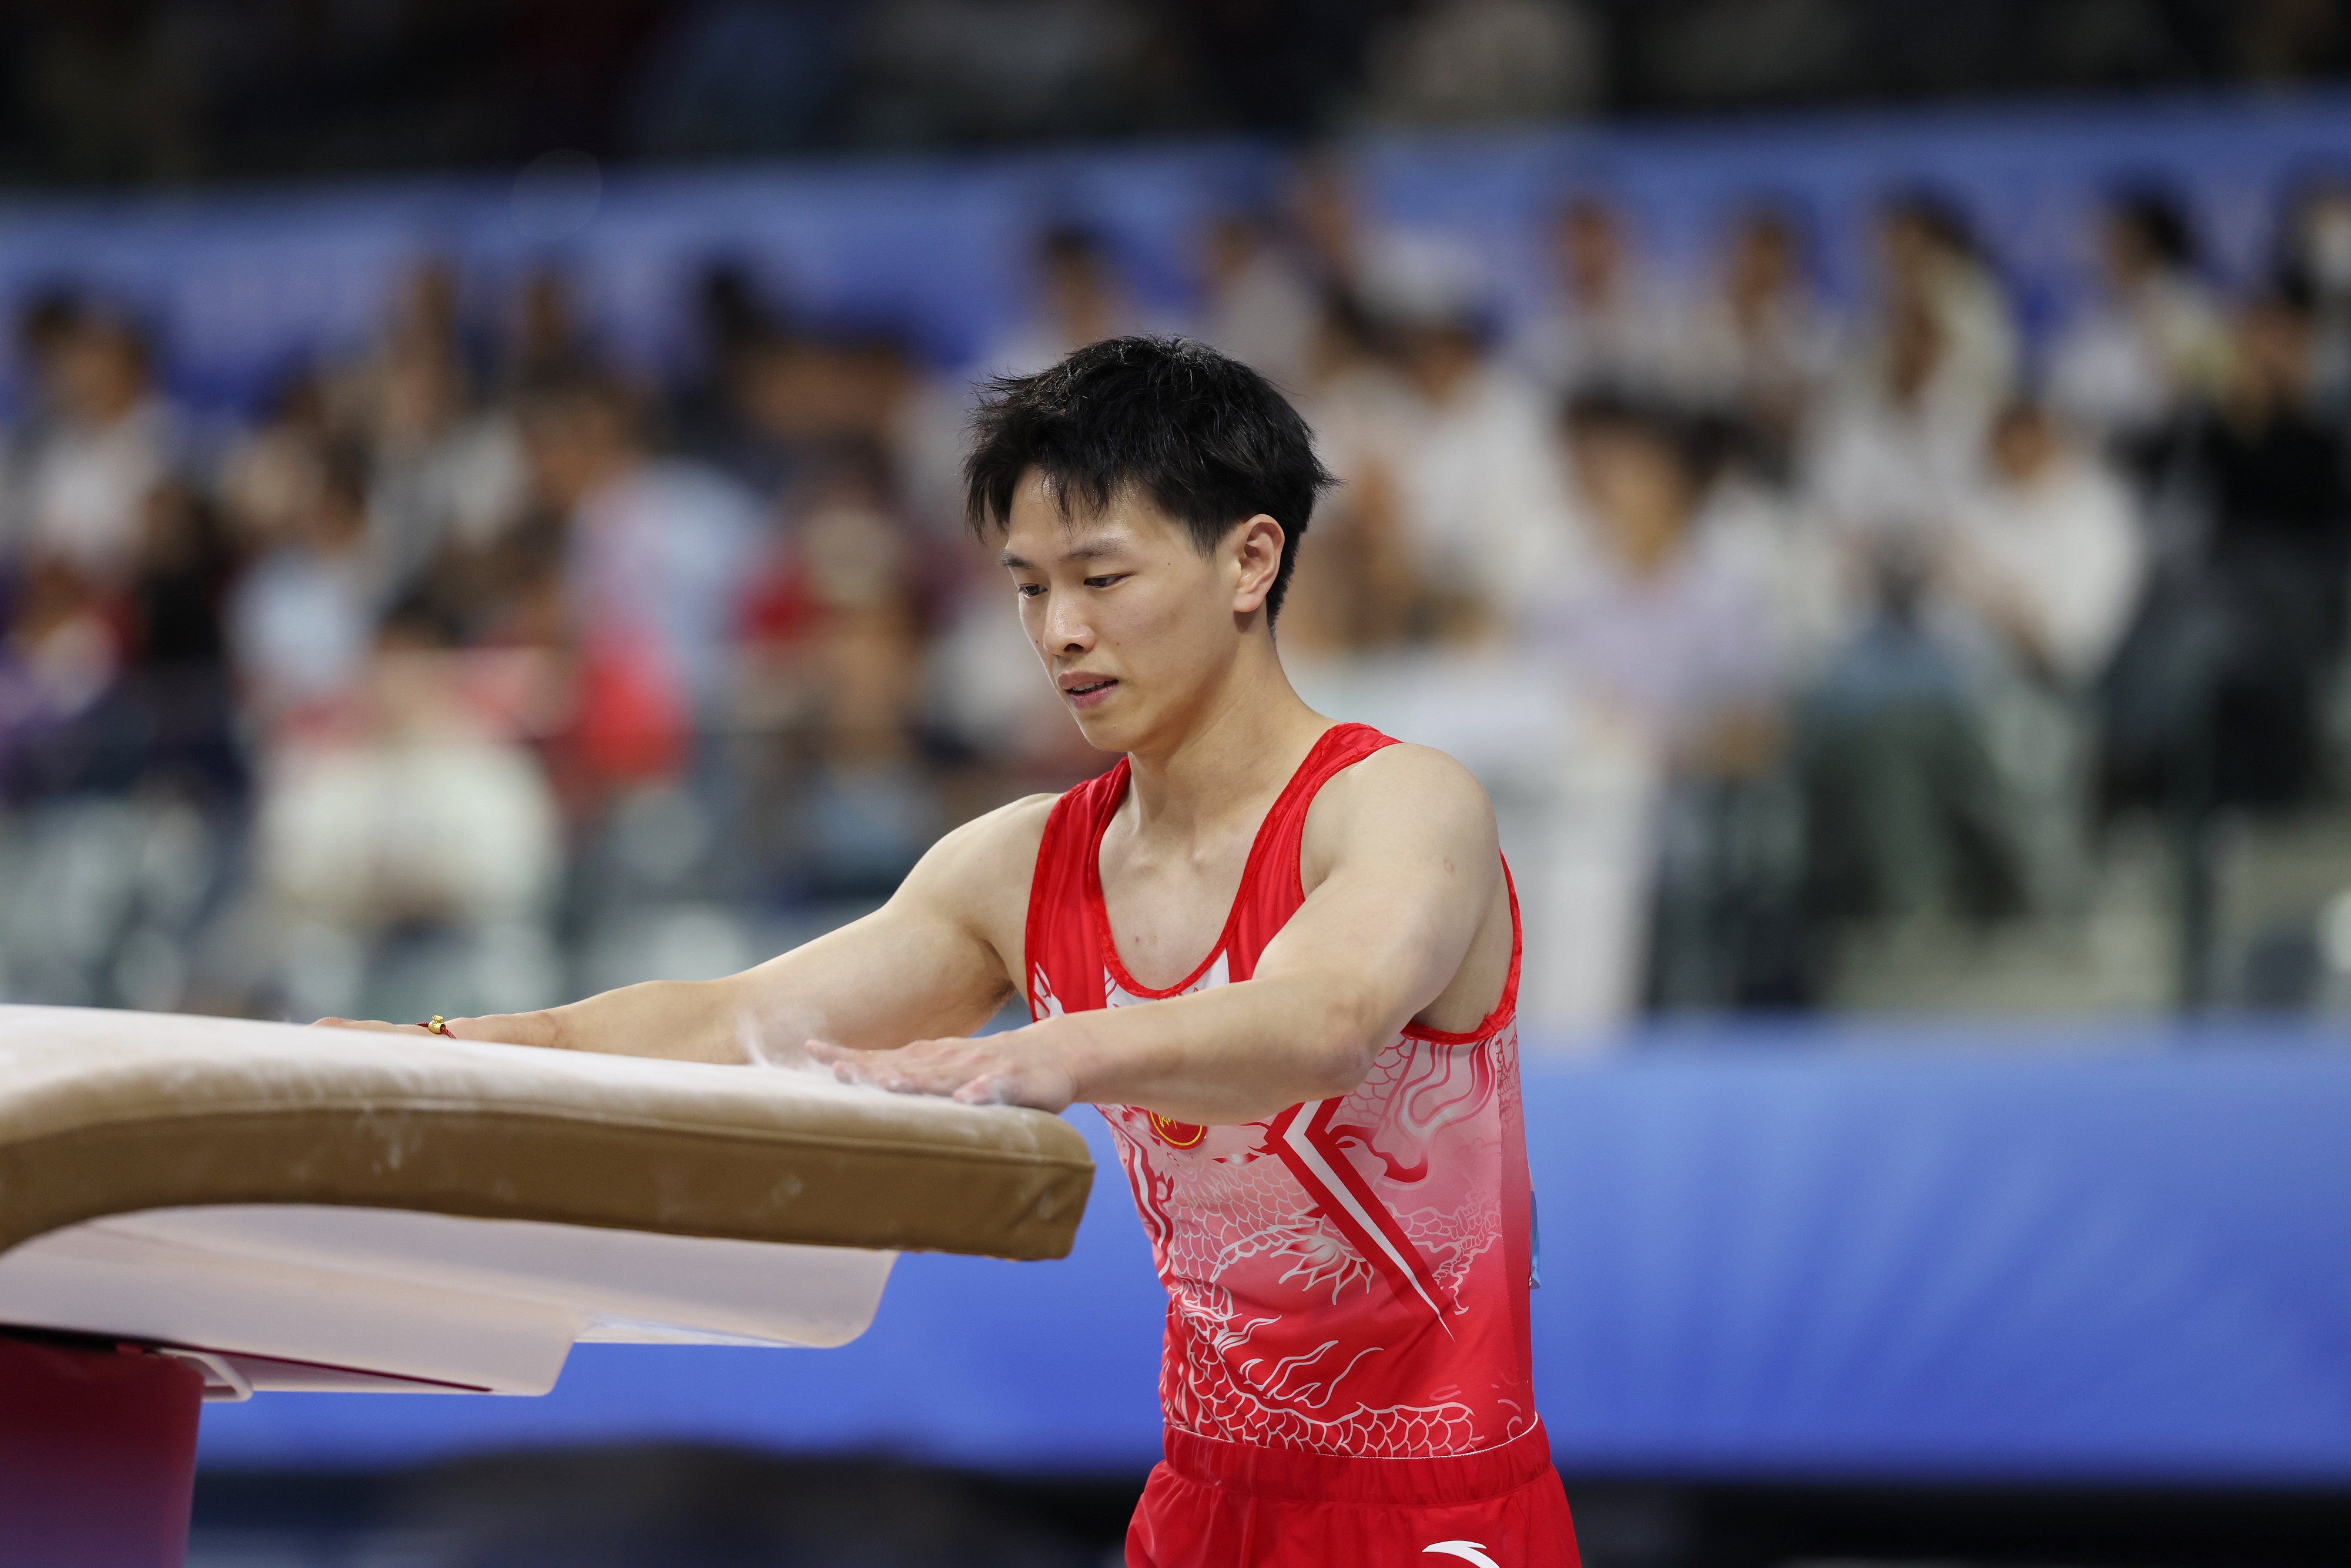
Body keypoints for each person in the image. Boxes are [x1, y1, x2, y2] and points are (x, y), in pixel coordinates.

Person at [323, 336, 1576, 1566]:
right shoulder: (1019, 867)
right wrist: (455, 1049)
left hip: (1438, 1516)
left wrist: (1039, 1055)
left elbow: (1321, 1021)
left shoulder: (1403, 804)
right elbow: (730, 1023)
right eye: (1028, 586)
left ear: (1251, 557)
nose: (1059, 631)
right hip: (1202, 1507)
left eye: (1101, 577)